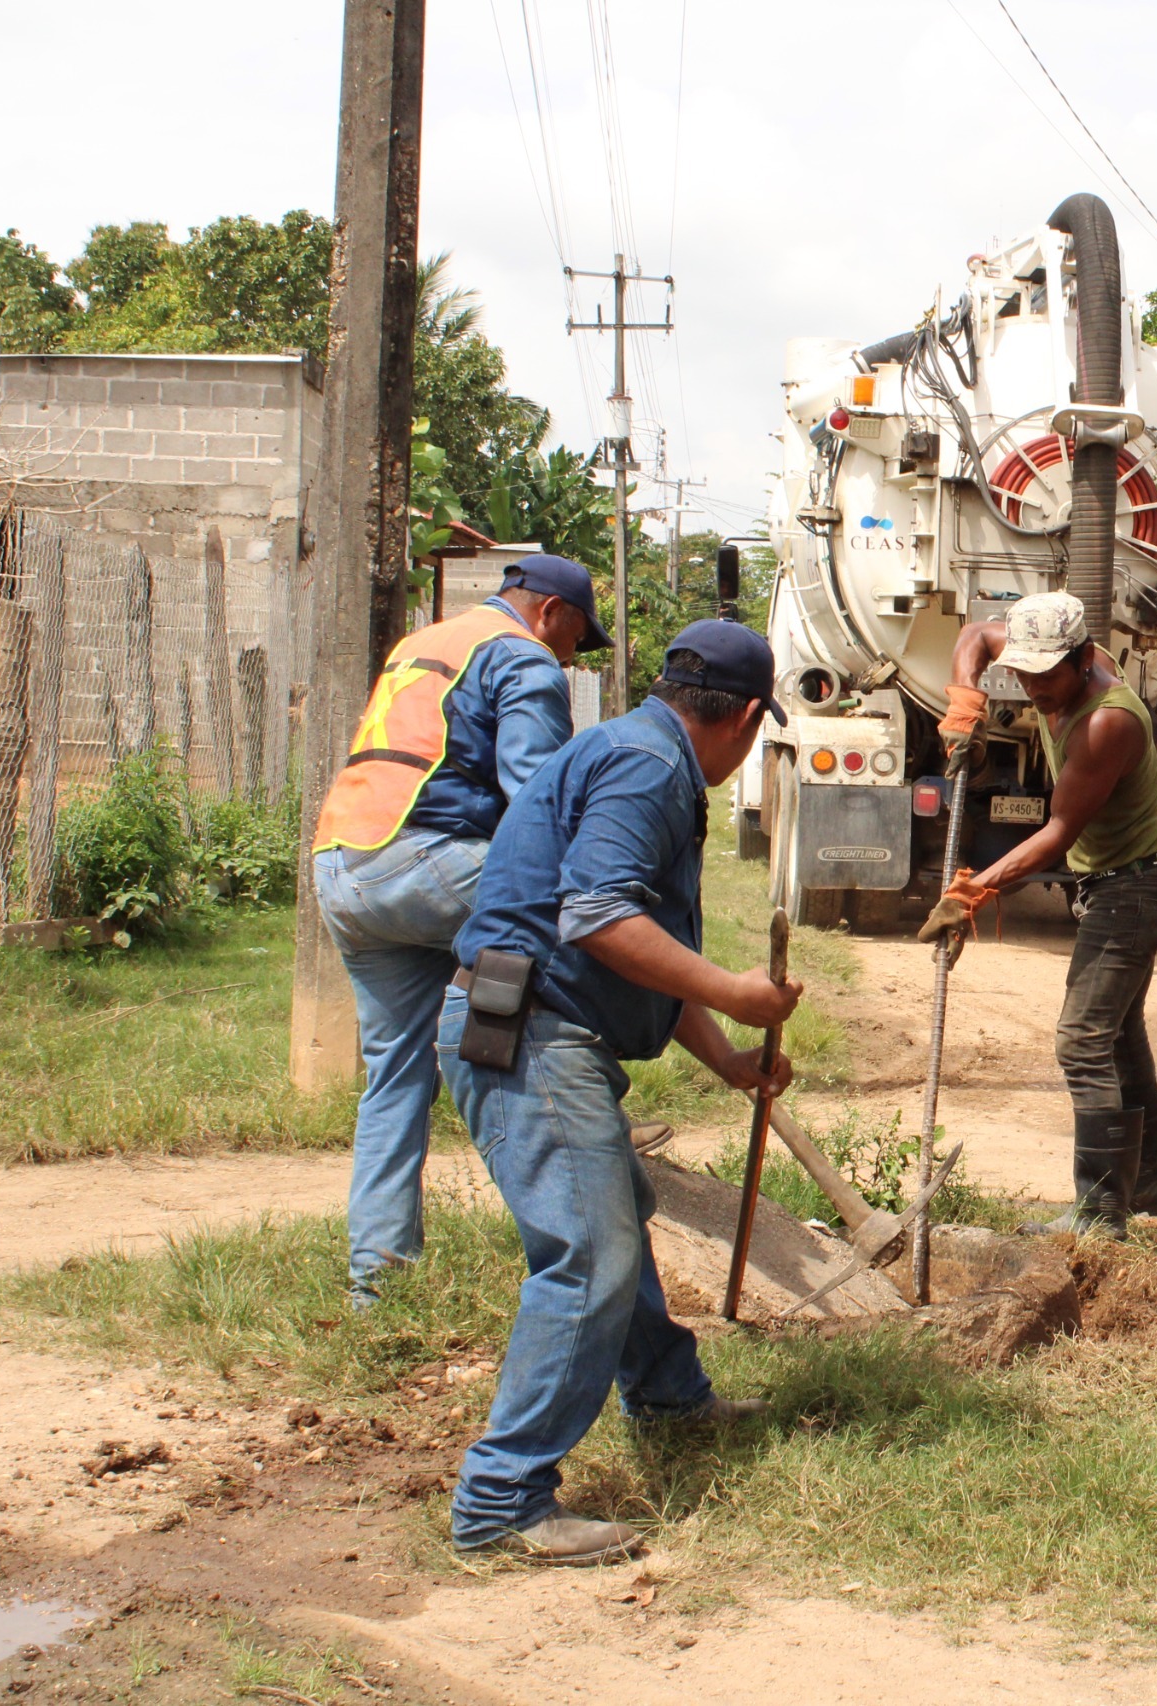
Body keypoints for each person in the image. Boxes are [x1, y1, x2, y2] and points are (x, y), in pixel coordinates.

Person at [437, 620, 799, 1564]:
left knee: (612, 1222)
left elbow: (638, 947)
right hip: (532, 1036)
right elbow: (598, 917)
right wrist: (738, 991)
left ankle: (669, 1399)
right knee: (590, 1254)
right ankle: (501, 1501)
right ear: (749, 717)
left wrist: (728, 1059)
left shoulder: (636, 751)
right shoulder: (648, 769)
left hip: (546, 1027)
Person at [312, 554, 608, 1308]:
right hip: (426, 865)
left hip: (342, 866)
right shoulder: (526, 660)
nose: (573, 658)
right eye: (577, 639)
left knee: (396, 1080)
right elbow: (537, 801)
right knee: (599, 924)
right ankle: (593, 1127)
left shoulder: (427, 643)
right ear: (551, 614)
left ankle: (375, 1284)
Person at [927, 591, 1157, 1237]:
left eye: (1047, 674)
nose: (1033, 687)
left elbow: (1059, 831)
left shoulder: (1108, 722)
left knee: (1083, 1041)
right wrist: (967, 701)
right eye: (1023, 672)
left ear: (1083, 657)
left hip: (1134, 891)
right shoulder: (1030, 659)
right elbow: (977, 641)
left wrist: (971, 893)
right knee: (1119, 1038)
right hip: (1115, 883)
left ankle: (1100, 1214)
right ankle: (1147, 1181)